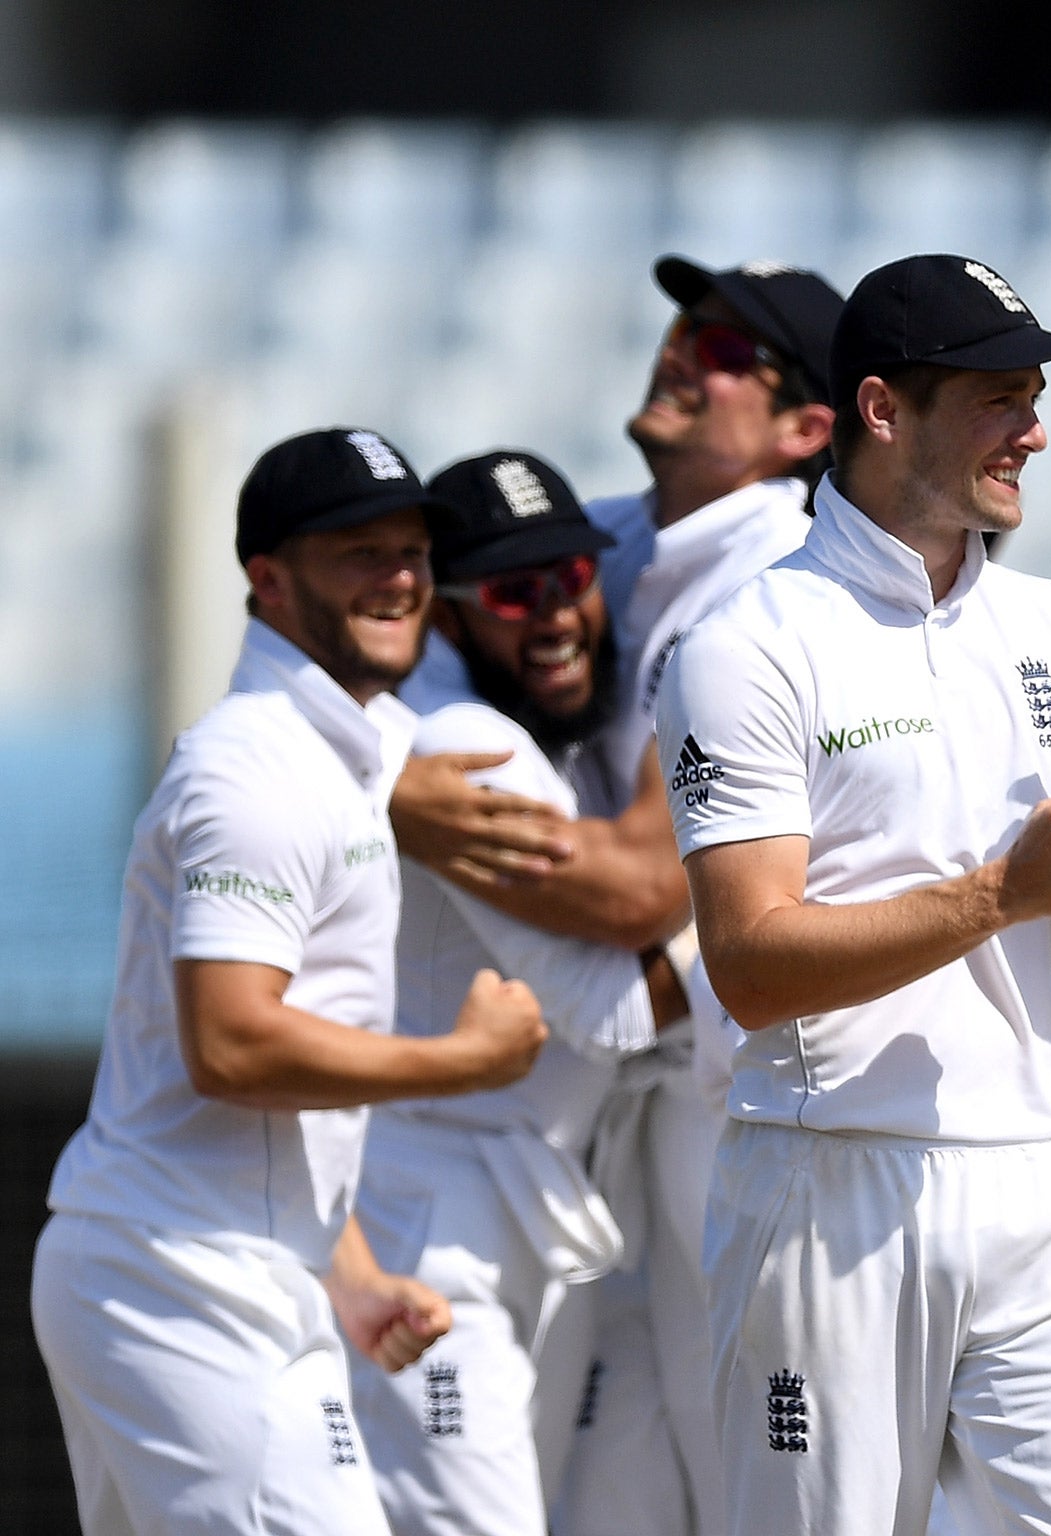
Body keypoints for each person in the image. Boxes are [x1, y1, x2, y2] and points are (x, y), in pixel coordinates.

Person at [659, 252, 1051, 1535]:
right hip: (828, 1184)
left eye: (1033, 395)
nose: (1037, 429)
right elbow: (749, 961)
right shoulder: (746, 644)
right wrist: (1002, 892)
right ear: (883, 410)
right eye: (1001, 397)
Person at [386, 257, 843, 1536]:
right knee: (613, 1493)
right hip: (616, 1115)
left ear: (806, 428)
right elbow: (394, 649)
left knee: (763, 1482)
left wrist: (385, 795)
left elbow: (644, 883)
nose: (682, 350)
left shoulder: (776, 570)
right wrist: (370, 778)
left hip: (749, 1091)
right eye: (686, 324)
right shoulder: (617, 534)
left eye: (725, 350)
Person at [30, 427, 548, 1536]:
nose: (400, 577)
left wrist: (347, 1269)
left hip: (205, 1267)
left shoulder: (347, 753)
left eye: (411, 550)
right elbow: (232, 1047)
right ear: (267, 581)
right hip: (184, 1282)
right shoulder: (254, 774)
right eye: (359, 551)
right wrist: (463, 1061)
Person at [345, 450, 692, 1536]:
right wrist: (779, 919)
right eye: (509, 591)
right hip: (430, 1224)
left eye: (568, 579)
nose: (551, 616)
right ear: (445, 616)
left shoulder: (516, 727)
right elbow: (610, 1015)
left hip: (512, 1209)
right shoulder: (465, 741)